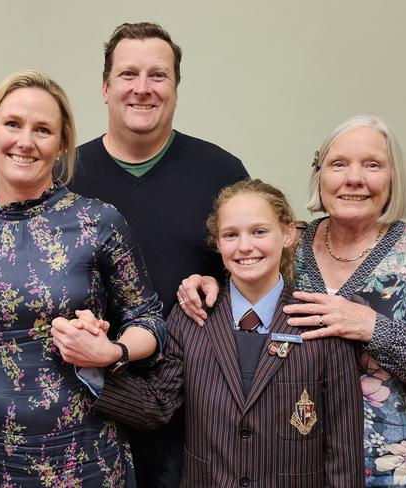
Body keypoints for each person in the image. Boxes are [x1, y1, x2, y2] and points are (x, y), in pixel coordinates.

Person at [0, 69, 165, 487]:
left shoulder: (98, 221)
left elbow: (150, 319)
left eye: (43, 129)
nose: (25, 141)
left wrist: (113, 351)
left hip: (84, 457)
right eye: (12, 124)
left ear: (62, 143)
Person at [179, 114, 406, 486]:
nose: (354, 178)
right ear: (320, 175)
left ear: (393, 176)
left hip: (391, 468)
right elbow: (242, 301)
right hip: (293, 467)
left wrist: (371, 326)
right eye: (338, 164)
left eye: (372, 165)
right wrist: (206, 282)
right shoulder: (291, 243)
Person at [89, 179, 364, 487]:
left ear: (287, 234)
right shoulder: (193, 317)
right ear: (217, 243)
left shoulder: (320, 322)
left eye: (259, 232)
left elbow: (344, 449)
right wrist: (92, 363)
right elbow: (155, 404)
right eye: (231, 235)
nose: (245, 246)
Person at [67, 21, 248, 487]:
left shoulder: (222, 173)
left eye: (158, 76)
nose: (142, 89)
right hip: (84, 405)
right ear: (106, 88)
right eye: (128, 75)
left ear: (176, 89)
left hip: (191, 411)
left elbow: (262, 275)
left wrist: (224, 285)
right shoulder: (64, 177)